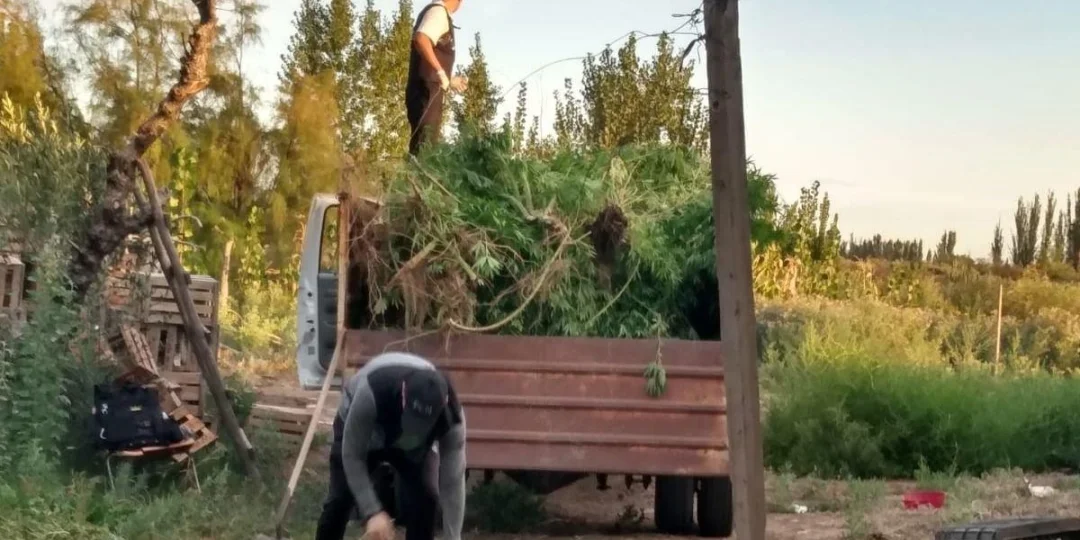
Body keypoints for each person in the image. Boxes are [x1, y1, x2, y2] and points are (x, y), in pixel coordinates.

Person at [315, 352, 467, 540]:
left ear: (443, 405)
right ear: (403, 395)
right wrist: (372, 511)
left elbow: (452, 482)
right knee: (340, 499)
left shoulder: (452, 419)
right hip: (366, 431)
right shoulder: (371, 393)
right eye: (413, 419)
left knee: (426, 498)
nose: (415, 427)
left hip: (413, 447)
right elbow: (352, 455)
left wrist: (453, 537)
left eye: (422, 424)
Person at [407, 0, 467, 156]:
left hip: (427, 89)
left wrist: (449, 79)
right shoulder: (439, 12)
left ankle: (416, 171)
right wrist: (440, 72)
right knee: (425, 144)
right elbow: (421, 38)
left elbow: (430, 53)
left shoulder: (438, 13)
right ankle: (418, 172)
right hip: (427, 91)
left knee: (426, 142)